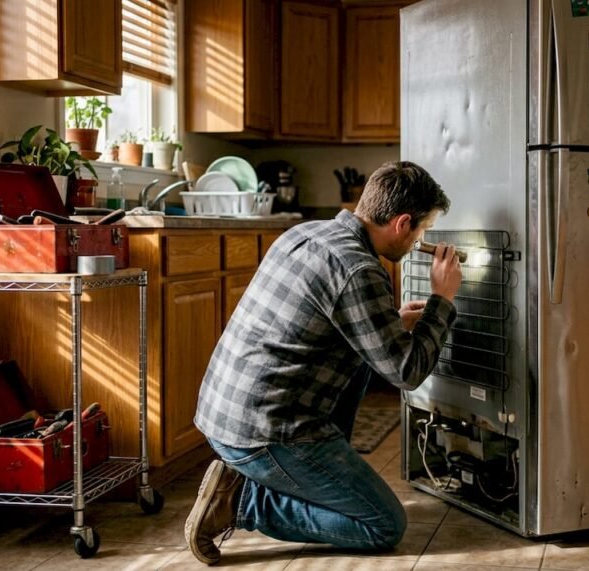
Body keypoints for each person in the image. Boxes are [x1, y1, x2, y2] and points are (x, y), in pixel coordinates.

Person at [185, 161, 463, 565]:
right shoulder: (361, 269)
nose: (421, 240)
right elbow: (406, 372)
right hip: (262, 433)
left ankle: (286, 479)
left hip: (220, 414)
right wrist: (442, 301)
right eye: (422, 230)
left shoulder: (306, 232)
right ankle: (243, 502)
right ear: (403, 223)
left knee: (368, 358)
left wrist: (389, 323)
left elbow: (308, 324)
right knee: (384, 525)